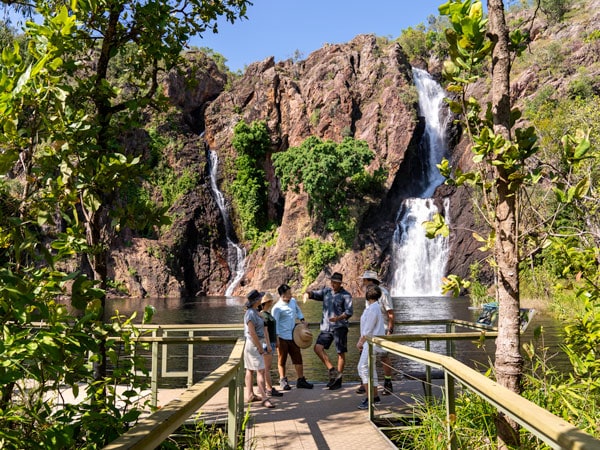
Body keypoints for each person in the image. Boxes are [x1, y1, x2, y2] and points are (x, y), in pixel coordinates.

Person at [303, 272, 353, 390]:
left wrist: (338, 318)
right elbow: (314, 294)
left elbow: (349, 312)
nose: (333, 284)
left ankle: (338, 380)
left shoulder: (346, 295)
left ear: (340, 283)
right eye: (332, 282)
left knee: (340, 353)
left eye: (335, 283)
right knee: (317, 348)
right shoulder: (326, 292)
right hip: (326, 327)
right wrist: (307, 294)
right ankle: (332, 370)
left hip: (340, 327)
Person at [356, 270, 395, 395]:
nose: (363, 282)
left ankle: (387, 383)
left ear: (370, 281)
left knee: (384, 356)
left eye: (365, 280)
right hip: (370, 332)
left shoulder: (383, 293)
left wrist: (390, 330)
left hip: (381, 330)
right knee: (366, 358)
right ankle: (366, 384)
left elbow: (390, 313)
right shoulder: (369, 294)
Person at [271, 284, 314, 390]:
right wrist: (276, 338)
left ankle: (301, 380)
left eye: (290, 293)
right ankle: (283, 380)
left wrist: (302, 320)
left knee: (298, 358)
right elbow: (274, 324)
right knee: (282, 359)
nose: (291, 295)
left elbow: (298, 310)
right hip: (282, 336)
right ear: (283, 295)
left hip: (294, 335)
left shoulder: (293, 301)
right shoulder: (277, 308)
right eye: (288, 294)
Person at [243, 289, 275, 408]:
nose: (262, 299)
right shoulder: (250, 314)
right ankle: (264, 398)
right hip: (253, 345)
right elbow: (252, 333)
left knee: (250, 370)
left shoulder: (255, 311)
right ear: (256, 300)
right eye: (260, 298)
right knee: (260, 370)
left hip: (255, 344)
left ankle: (250, 394)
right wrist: (260, 348)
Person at [356, 285, 386, 409]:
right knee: (370, 368)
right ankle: (375, 397)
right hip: (370, 342)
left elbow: (368, 329)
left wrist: (360, 342)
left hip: (371, 342)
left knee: (362, 367)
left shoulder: (374, 308)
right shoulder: (372, 307)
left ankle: (370, 399)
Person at [259, 293, 284, 397]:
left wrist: (276, 340)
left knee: (266, 367)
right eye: (270, 301)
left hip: (272, 342)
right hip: (267, 343)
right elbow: (264, 332)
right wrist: (268, 344)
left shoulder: (268, 314)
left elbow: (273, 329)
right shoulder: (263, 315)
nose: (272, 302)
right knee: (266, 368)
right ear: (267, 302)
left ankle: (267, 387)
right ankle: (268, 388)